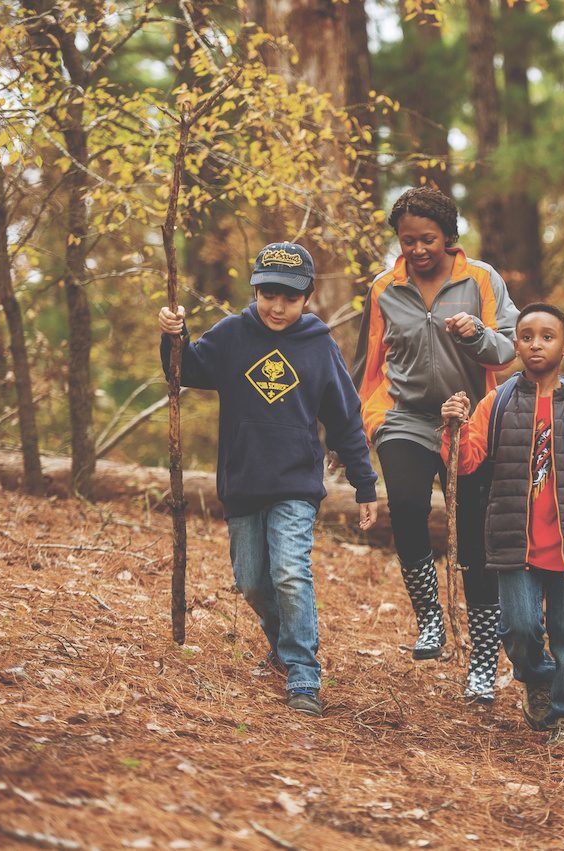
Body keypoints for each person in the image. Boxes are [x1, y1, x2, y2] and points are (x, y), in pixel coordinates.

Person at [158, 242, 379, 718]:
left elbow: (345, 417)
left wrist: (365, 484)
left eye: (290, 297)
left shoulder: (319, 345)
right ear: (255, 288)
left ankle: (303, 671)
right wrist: (175, 336)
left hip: (296, 482)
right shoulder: (234, 334)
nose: (278, 307)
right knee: (253, 581)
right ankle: (281, 642)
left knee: (290, 573)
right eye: (269, 294)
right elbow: (187, 370)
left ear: (308, 297)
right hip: (241, 481)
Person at [351, 187, 519, 705]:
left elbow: (509, 350)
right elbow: (369, 362)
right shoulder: (384, 288)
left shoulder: (482, 280)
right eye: (408, 241)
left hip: (470, 422)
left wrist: (474, 336)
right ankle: (428, 616)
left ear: (448, 235)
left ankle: (484, 663)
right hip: (403, 415)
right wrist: (359, 427)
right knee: (403, 503)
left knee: (473, 543)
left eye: (428, 239)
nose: (419, 250)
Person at [441, 303, 564, 747]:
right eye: (526, 336)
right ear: (515, 344)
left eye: (547, 336)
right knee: (518, 629)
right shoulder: (498, 401)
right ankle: (537, 678)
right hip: (514, 541)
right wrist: (452, 428)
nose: (536, 344)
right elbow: (466, 463)